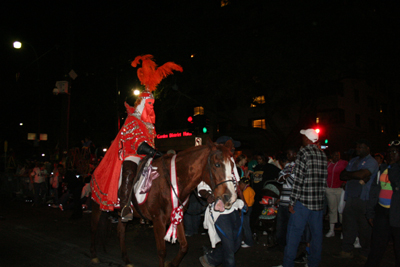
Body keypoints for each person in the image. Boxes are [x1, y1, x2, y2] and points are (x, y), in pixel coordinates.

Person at [90, 55, 182, 222]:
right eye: (150, 105)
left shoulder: (150, 126)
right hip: (132, 153)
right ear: (142, 104)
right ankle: (125, 206)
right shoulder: (133, 119)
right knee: (129, 171)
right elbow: (138, 144)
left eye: (153, 105)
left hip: (147, 157)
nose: (152, 107)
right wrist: (156, 153)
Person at [282, 129, 327, 267]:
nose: (301, 138)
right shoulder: (322, 154)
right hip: (318, 203)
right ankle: (314, 263)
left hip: (303, 202)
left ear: (308, 139)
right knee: (316, 237)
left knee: (293, 236)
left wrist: (292, 201)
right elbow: (323, 179)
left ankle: (288, 264)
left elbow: (298, 179)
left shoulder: (303, 152)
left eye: (303, 136)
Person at [199, 136, 245, 267]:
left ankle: (211, 259)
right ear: (220, 147)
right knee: (229, 249)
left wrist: (243, 202)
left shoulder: (230, 162)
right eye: (231, 147)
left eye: (233, 148)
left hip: (234, 207)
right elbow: (201, 187)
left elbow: (236, 184)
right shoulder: (210, 163)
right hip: (219, 211)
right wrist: (208, 195)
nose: (233, 150)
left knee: (236, 244)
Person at [335, 139, 379, 260]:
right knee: (348, 226)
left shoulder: (372, 162)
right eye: (357, 147)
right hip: (350, 197)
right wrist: (356, 174)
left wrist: (351, 175)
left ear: (368, 149)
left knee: (364, 228)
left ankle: (365, 252)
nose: (358, 149)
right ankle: (346, 250)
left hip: (364, 199)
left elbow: (360, 174)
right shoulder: (353, 160)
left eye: (361, 147)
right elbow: (342, 175)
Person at [365, 140, 400, 266]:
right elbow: (374, 191)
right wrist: (370, 212)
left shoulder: (394, 168)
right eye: (389, 152)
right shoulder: (383, 169)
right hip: (381, 212)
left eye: (394, 151)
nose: (391, 154)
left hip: (396, 213)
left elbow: (396, 182)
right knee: (376, 246)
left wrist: (394, 165)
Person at [251, 153, 280, 234]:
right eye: (257, 159)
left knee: (266, 212)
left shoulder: (270, 167)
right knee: (256, 211)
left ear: (263, 159)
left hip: (266, 194)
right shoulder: (256, 167)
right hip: (256, 193)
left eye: (260, 159)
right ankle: (255, 229)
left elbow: (279, 173)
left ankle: (266, 228)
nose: (258, 161)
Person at [276, 148, 297, 251]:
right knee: (280, 227)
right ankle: (281, 246)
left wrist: (286, 177)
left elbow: (295, 182)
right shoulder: (287, 167)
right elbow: (279, 179)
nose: (289, 155)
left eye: (290, 153)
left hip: (291, 202)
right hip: (283, 202)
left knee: (291, 228)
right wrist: (286, 176)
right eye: (288, 153)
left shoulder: (298, 166)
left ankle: (291, 248)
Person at [325, 151, 348, 237]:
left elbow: (348, 173)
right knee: (332, 210)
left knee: (341, 210)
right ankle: (331, 230)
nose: (336, 157)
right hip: (330, 190)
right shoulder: (328, 164)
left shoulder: (343, 163)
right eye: (334, 155)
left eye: (338, 155)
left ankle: (343, 231)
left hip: (339, 189)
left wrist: (345, 182)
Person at [239, 177, 255, 248]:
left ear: (243, 184)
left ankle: (249, 242)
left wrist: (241, 211)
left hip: (246, 209)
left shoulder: (246, 191)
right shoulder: (250, 189)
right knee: (245, 226)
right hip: (250, 208)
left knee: (246, 226)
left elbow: (245, 203)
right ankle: (246, 240)